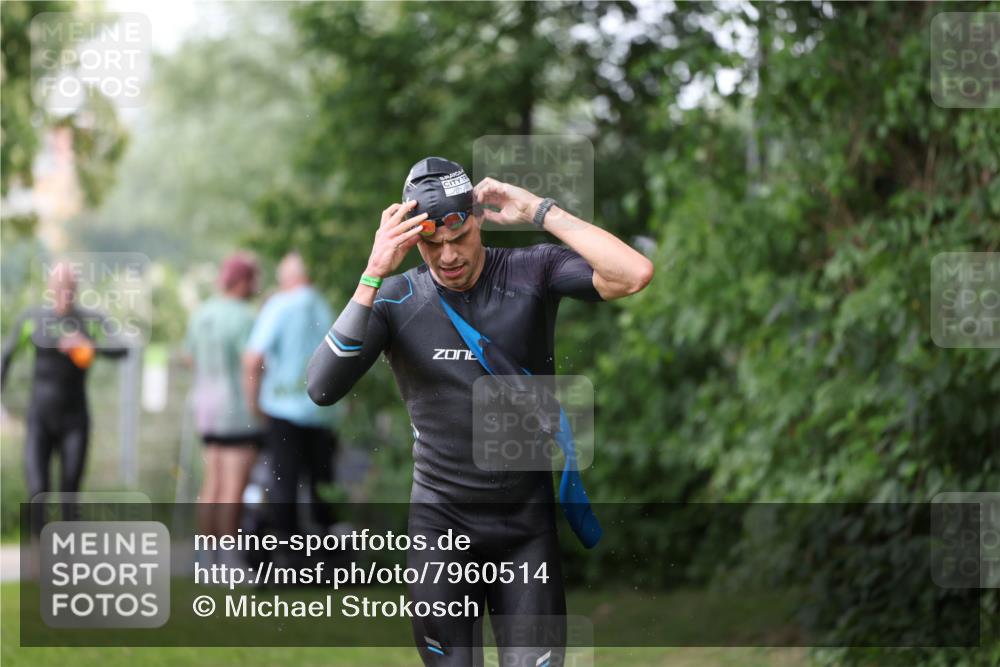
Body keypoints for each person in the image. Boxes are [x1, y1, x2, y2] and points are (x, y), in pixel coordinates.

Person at [306, 157, 653, 665]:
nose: (447, 256)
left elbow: (634, 273)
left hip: (524, 527)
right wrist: (373, 273)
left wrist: (538, 209)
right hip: (440, 525)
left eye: (458, 236)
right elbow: (320, 387)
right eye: (430, 244)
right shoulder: (397, 298)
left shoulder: (532, 270)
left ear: (478, 219)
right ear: (411, 240)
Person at [0, 261, 129, 525]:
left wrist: (88, 345)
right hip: (39, 419)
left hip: (75, 420)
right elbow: (5, 356)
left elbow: (122, 348)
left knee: (69, 494)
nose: (64, 292)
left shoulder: (89, 321)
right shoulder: (34, 319)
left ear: (77, 288)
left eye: (69, 287)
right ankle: (38, 558)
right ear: (50, 287)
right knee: (37, 491)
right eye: (59, 286)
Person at [243, 252, 339, 536]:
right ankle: (326, 555)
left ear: (287, 278)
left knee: (283, 482)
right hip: (323, 411)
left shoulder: (280, 305)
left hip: (283, 409)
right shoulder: (325, 306)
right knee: (322, 484)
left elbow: (252, 358)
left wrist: (253, 403)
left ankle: (286, 551)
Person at [183, 252, 262, 541]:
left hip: (205, 410)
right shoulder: (244, 317)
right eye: (254, 279)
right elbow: (250, 364)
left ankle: (207, 557)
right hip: (237, 411)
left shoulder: (201, 313)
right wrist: (257, 406)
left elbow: (189, 358)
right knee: (233, 488)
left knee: (211, 485)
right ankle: (230, 557)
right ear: (242, 281)